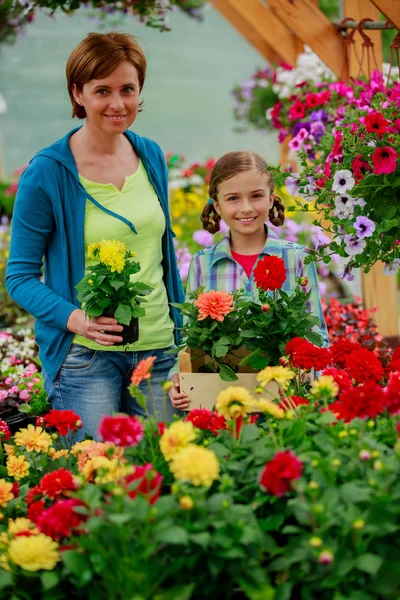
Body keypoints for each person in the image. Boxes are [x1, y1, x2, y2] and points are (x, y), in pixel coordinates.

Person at [6, 32, 184, 438]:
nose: (118, 104)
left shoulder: (150, 154)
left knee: (163, 479)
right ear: (78, 93)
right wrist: (77, 320)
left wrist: (182, 335)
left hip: (158, 352)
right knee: (98, 482)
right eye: (102, 90)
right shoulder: (47, 173)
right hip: (87, 360)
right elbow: (19, 277)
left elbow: (161, 253)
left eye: (128, 89)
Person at [169, 151, 329, 411]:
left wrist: (315, 383)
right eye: (233, 198)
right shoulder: (203, 263)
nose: (246, 207)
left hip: (285, 397)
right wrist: (178, 378)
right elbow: (190, 338)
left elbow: (315, 333)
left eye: (256, 196)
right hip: (221, 399)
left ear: (271, 198)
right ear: (217, 206)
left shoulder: (297, 258)